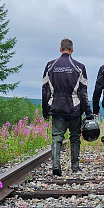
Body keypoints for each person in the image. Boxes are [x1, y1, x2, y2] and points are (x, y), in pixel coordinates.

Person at [42, 38, 94, 176]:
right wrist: (88, 113)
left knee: (57, 137)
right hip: (74, 109)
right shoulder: (80, 67)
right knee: (75, 137)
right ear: (72, 50)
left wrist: (45, 110)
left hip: (56, 107)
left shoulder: (49, 66)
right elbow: (83, 92)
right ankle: (75, 166)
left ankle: (55, 165)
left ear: (60, 49)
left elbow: (45, 90)